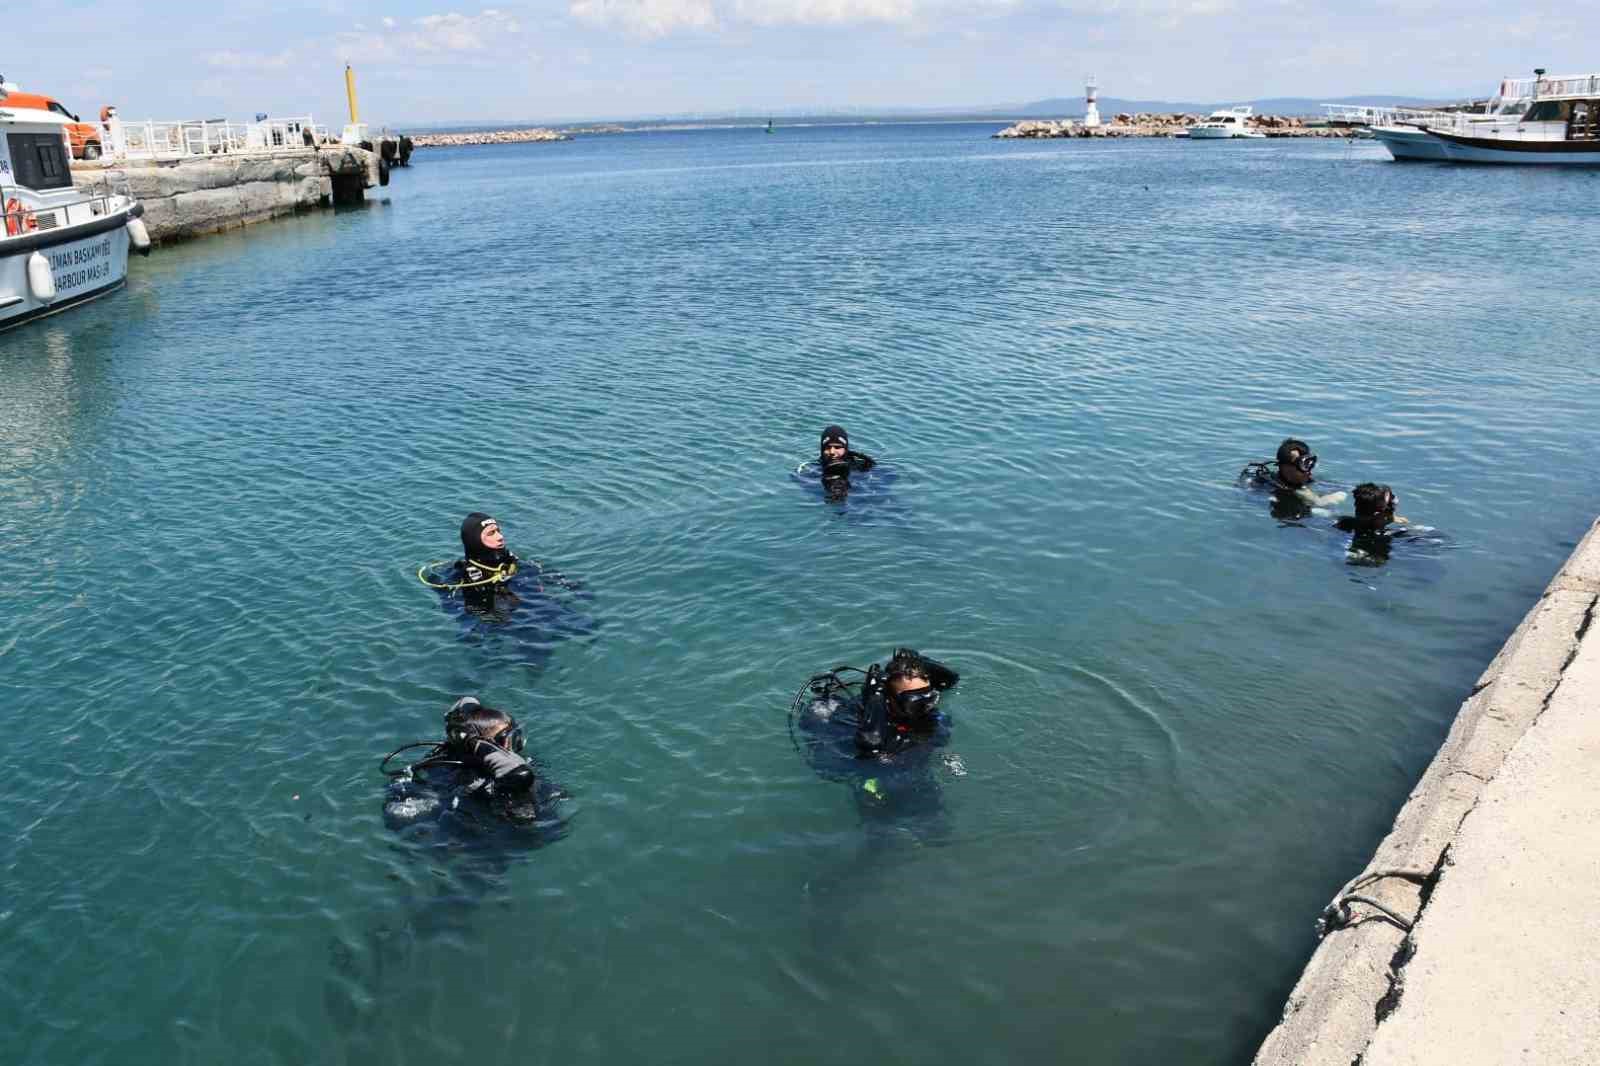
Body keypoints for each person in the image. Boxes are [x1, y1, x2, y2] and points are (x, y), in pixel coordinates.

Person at [790, 648, 961, 810]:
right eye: (915, 702)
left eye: (929, 697)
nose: (926, 707)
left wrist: (920, 663)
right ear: (890, 700)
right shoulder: (862, 722)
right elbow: (872, 746)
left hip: (920, 785)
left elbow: (951, 680)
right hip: (878, 793)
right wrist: (876, 696)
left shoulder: (927, 718)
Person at [382, 696, 564, 831]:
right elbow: (522, 776)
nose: (518, 743)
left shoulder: (450, 760)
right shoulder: (510, 771)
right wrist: (483, 747)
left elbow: (465, 702)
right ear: (484, 746)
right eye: (511, 737)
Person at [817, 425, 874, 500]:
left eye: (837, 447)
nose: (832, 452)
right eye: (827, 447)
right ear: (822, 449)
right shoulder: (812, 469)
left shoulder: (861, 465)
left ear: (845, 448)